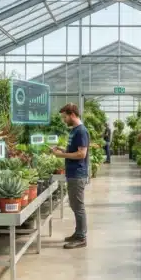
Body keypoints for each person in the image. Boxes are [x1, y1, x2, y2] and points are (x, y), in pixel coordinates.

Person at [52, 103, 90, 249]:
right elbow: (75, 149)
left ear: (72, 115)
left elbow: (82, 154)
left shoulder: (81, 131)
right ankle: (78, 232)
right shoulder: (74, 131)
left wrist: (61, 155)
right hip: (72, 173)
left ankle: (81, 238)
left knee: (78, 206)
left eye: (65, 117)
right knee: (74, 205)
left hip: (77, 173)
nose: (64, 119)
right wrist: (62, 149)